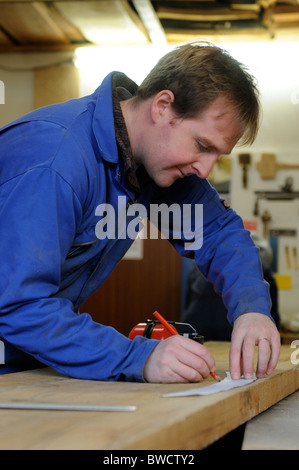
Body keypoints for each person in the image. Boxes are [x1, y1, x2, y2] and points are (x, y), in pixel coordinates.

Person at [0, 42, 280, 382]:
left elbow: (219, 232)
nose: (205, 171)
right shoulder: (55, 160)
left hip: (28, 358)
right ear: (162, 106)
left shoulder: (149, 166)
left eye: (216, 156)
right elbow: (19, 305)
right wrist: (136, 357)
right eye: (202, 146)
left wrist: (252, 310)